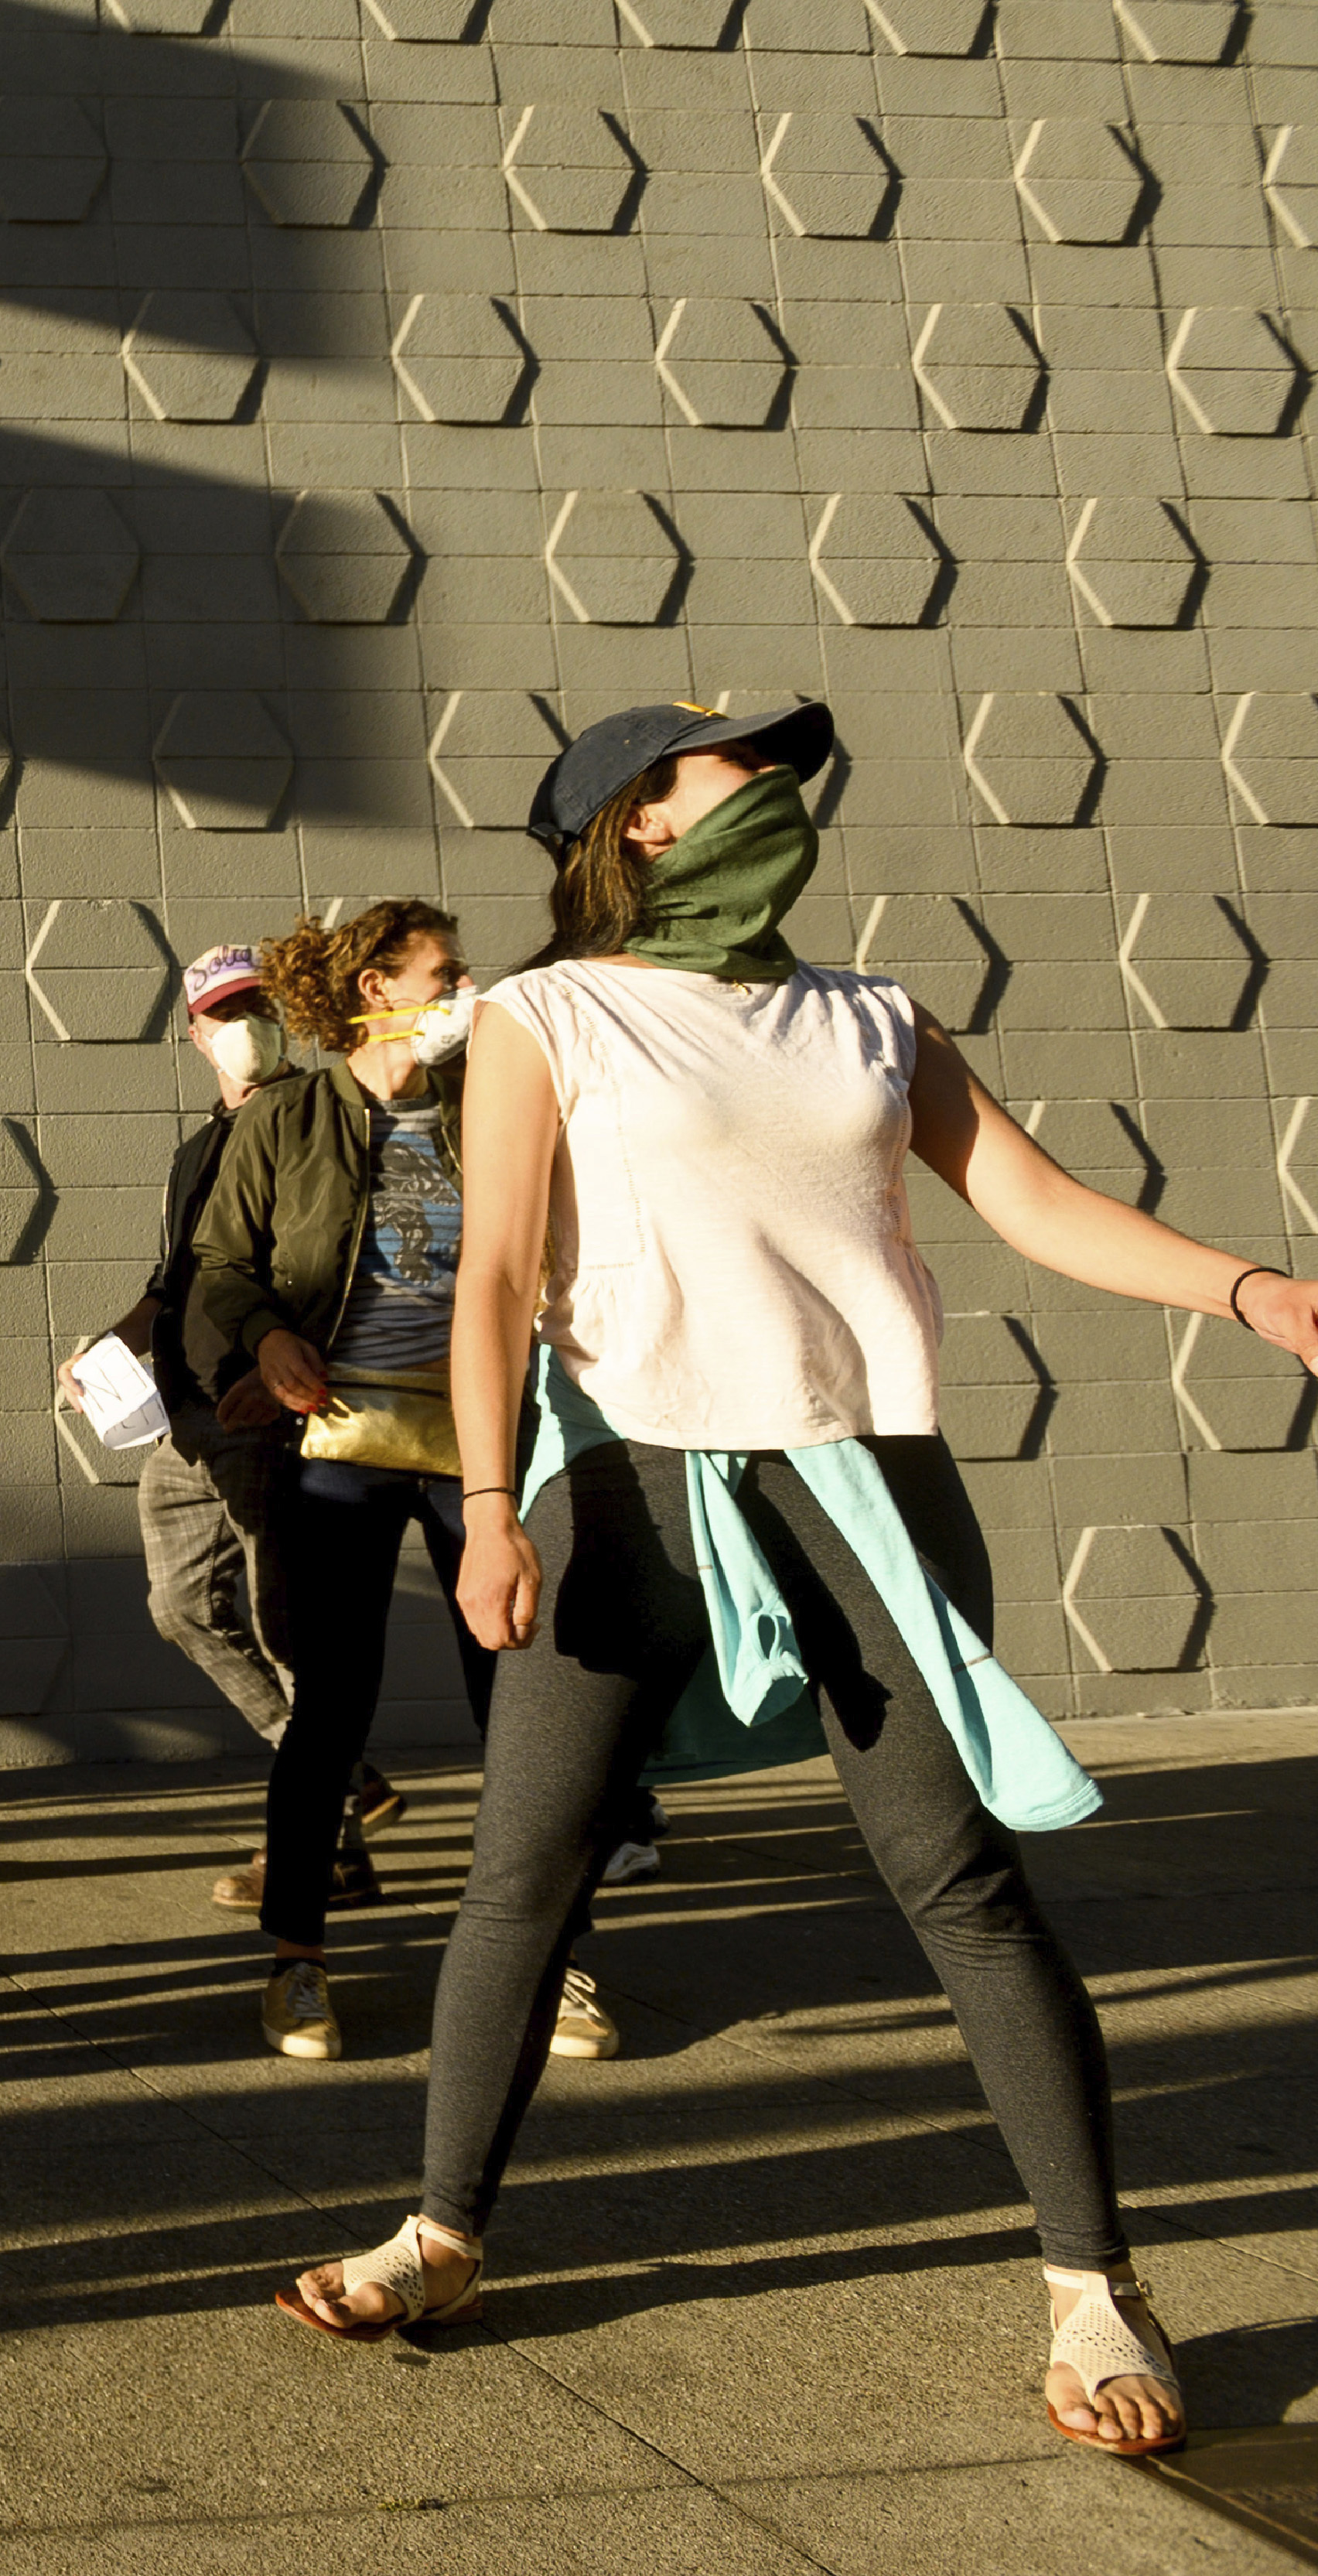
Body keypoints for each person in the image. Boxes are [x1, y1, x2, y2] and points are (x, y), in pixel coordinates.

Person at [275, 701, 1318, 2462]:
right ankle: (442, 2231)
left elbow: (1039, 1200)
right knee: (521, 1877)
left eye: (776, 758)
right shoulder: (550, 1012)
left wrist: (1250, 1289)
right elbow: (501, 1268)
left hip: (867, 1482)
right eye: (727, 763)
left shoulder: (871, 1016)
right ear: (640, 826)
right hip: (621, 1492)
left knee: (957, 1874)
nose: (772, 780)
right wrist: (487, 1501)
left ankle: (1090, 2281)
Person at [187, 904, 579, 2064]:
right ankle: (297, 1961)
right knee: (330, 1711)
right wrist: (265, 1341)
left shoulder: (490, 1105)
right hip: (341, 1444)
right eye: (445, 972)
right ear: (375, 987)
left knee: (524, 1710)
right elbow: (221, 1261)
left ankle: (554, 1958)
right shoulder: (290, 1117)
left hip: (484, 1448)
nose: (468, 989)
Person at [60, 945, 407, 1911]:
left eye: (257, 1007)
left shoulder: (315, 1118)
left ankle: (320, 1849)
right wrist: (108, 1347)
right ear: (194, 1030)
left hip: (265, 1412)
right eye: (224, 1011)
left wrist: (283, 1359)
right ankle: (344, 1777)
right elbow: (176, 1279)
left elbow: (341, 1260)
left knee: (286, 1628)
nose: (243, 1026)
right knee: (180, 1608)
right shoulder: (197, 1146)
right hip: (186, 1412)